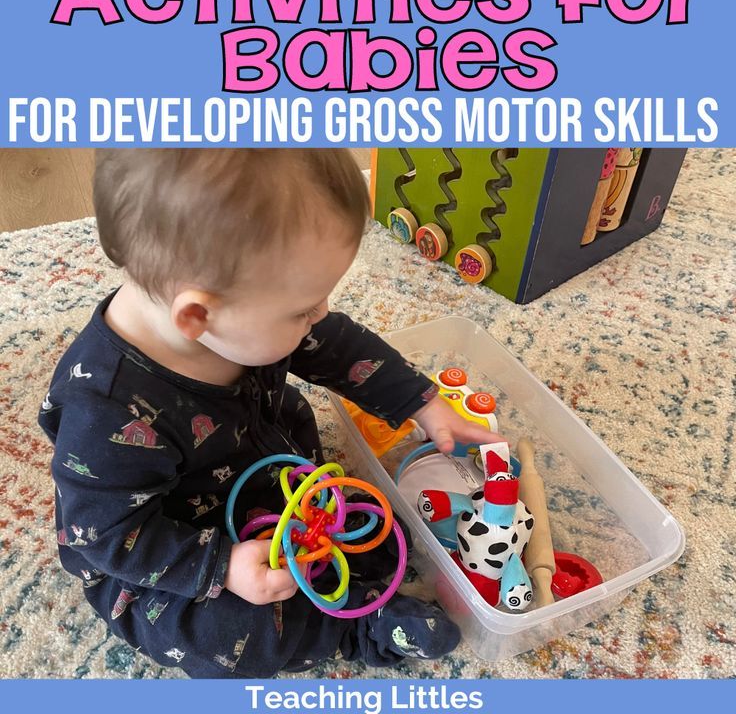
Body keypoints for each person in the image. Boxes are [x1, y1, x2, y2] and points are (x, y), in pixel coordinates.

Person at [39, 150, 493, 677]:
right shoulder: (108, 413)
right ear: (197, 316)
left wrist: (422, 402)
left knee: (382, 529)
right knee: (226, 637)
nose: (319, 314)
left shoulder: (239, 313)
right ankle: (354, 626)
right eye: (303, 308)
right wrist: (222, 566)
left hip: (261, 467)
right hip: (168, 543)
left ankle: (354, 578)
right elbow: (107, 536)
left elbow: (337, 345)